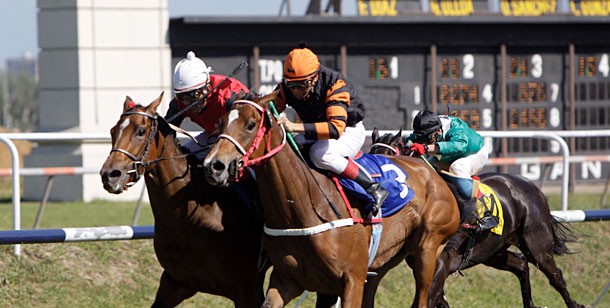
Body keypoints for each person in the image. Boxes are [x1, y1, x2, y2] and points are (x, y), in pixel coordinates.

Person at [270, 42, 388, 217]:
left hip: (348, 131)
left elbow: (335, 129)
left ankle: (373, 188)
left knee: (320, 154)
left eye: (301, 85)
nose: (295, 90)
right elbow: (268, 109)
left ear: (315, 78)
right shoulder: (287, 86)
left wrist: (294, 126)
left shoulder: (335, 84)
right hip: (315, 131)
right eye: (291, 84)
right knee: (287, 148)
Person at [407, 110, 497, 230]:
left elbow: (460, 146)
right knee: (426, 168)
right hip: (450, 156)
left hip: (474, 154)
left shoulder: (455, 126)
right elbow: (410, 140)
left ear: (439, 131)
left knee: (457, 167)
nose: (424, 141)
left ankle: (485, 210)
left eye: (428, 138)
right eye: (421, 138)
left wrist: (426, 148)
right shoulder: (428, 128)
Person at [165, 51, 248, 153]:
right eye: (181, 96)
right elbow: (165, 132)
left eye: (194, 95)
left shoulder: (228, 97)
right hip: (213, 135)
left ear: (208, 88)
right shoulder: (179, 103)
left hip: (240, 137)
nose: (187, 103)